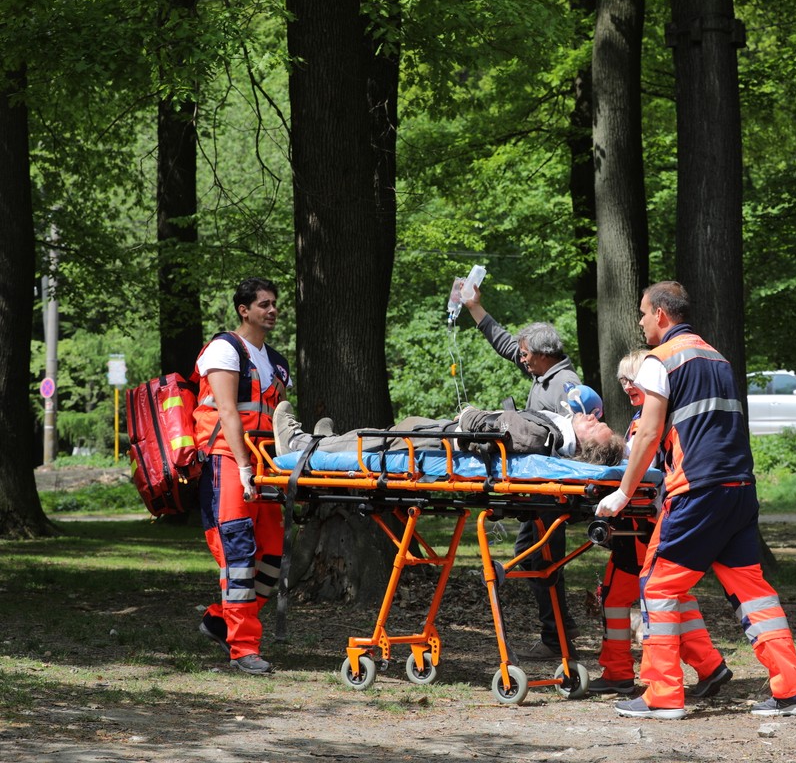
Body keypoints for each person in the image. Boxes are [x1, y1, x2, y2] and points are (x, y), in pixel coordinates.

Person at [595, 281, 796, 720]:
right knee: (753, 593)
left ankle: (662, 695)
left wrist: (623, 493)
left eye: (643, 313)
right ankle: (794, 689)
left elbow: (649, 432)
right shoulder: (717, 357)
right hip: (740, 488)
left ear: (661, 314)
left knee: (657, 586)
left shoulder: (660, 360)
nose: (640, 322)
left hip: (696, 490)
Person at [589, 350, 732, 700]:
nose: (627, 386)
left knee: (652, 597)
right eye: (622, 380)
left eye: (633, 379)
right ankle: (706, 666)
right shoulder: (649, 418)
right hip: (646, 522)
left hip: (644, 524)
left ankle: (628, 674)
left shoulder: (649, 423)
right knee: (664, 596)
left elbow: (644, 468)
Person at [463, 286, 583, 659]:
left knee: (542, 560)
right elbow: (505, 345)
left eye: (527, 353)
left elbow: (579, 438)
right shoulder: (542, 372)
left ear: (544, 354)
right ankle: (559, 630)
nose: (522, 358)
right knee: (531, 557)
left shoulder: (566, 385)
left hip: (552, 490)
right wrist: (474, 307)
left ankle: (557, 639)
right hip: (537, 489)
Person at [194, 277, 292, 676]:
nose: (272, 310)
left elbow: (281, 420)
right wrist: (245, 468)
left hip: (265, 464)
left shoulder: (277, 361)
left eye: (274, 304)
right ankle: (243, 648)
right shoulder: (225, 349)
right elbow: (228, 411)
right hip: (228, 462)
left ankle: (220, 621)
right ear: (244, 310)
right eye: (263, 304)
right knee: (238, 556)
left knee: (271, 556)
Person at [271, 389, 626, 467]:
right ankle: (324, 441)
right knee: (380, 435)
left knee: (377, 443)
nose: (593, 418)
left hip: (442, 445)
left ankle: (299, 445)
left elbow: (489, 428)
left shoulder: (542, 435)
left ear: (585, 447)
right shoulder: (551, 433)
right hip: (444, 437)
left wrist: (469, 414)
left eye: (596, 427)